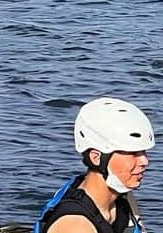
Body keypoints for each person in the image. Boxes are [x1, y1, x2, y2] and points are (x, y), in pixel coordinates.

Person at [35, 97, 153, 233]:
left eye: (143, 152)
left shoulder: (123, 197)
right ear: (96, 157)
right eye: (133, 153)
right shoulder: (75, 226)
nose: (144, 161)